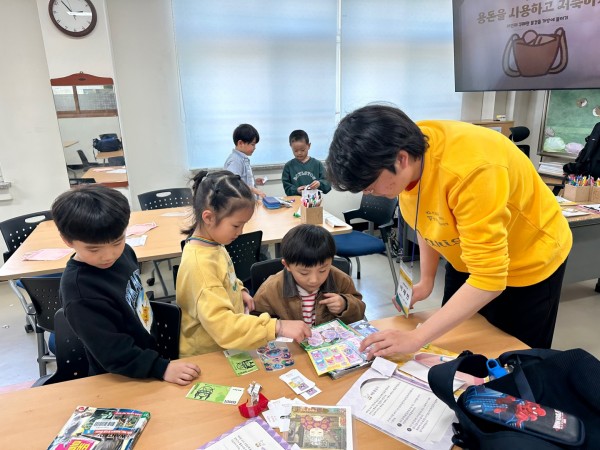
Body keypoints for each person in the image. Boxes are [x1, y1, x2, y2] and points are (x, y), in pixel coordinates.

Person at [326, 104, 572, 357]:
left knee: (514, 358)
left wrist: (416, 337)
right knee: (455, 348)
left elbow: (489, 279)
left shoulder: (471, 170)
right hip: (468, 256)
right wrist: (427, 280)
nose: (370, 193)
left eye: (369, 186)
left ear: (401, 159)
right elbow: (427, 219)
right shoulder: (404, 153)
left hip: (529, 259)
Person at [52, 185, 200, 386]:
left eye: (117, 241)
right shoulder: (79, 293)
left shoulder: (125, 252)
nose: (109, 255)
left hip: (147, 354)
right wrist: (160, 367)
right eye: (94, 249)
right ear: (67, 240)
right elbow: (113, 352)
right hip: (122, 374)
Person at [176, 170, 312, 357]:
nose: (240, 232)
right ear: (208, 218)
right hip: (207, 355)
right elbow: (224, 327)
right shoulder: (200, 265)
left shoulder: (213, 244)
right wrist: (277, 326)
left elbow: (224, 277)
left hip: (226, 345)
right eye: (236, 225)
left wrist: (239, 290)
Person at [253, 224, 366, 325]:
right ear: (287, 265)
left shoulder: (341, 280)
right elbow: (256, 324)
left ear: (331, 261)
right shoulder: (270, 290)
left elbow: (360, 313)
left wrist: (345, 305)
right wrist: (279, 327)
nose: (314, 280)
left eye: (322, 270)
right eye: (304, 273)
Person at [281, 130, 331, 196]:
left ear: (309, 146)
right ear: (291, 146)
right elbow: (287, 187)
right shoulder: (288, 166)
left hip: (314, 201)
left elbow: (328, 184)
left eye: (302, 150)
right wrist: (296, 190)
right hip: (296, 200)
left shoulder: (317, 164)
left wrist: (319, 183)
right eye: (295, 151)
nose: (299, 153)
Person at [224, 123, 267, 198]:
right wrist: (253, 189)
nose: (255, 147)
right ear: (240, 143)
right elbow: (233, 184)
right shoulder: (235, 160)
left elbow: (242, 180)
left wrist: (254, 181)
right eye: (252, 144)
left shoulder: (243, 159)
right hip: (241, 203)